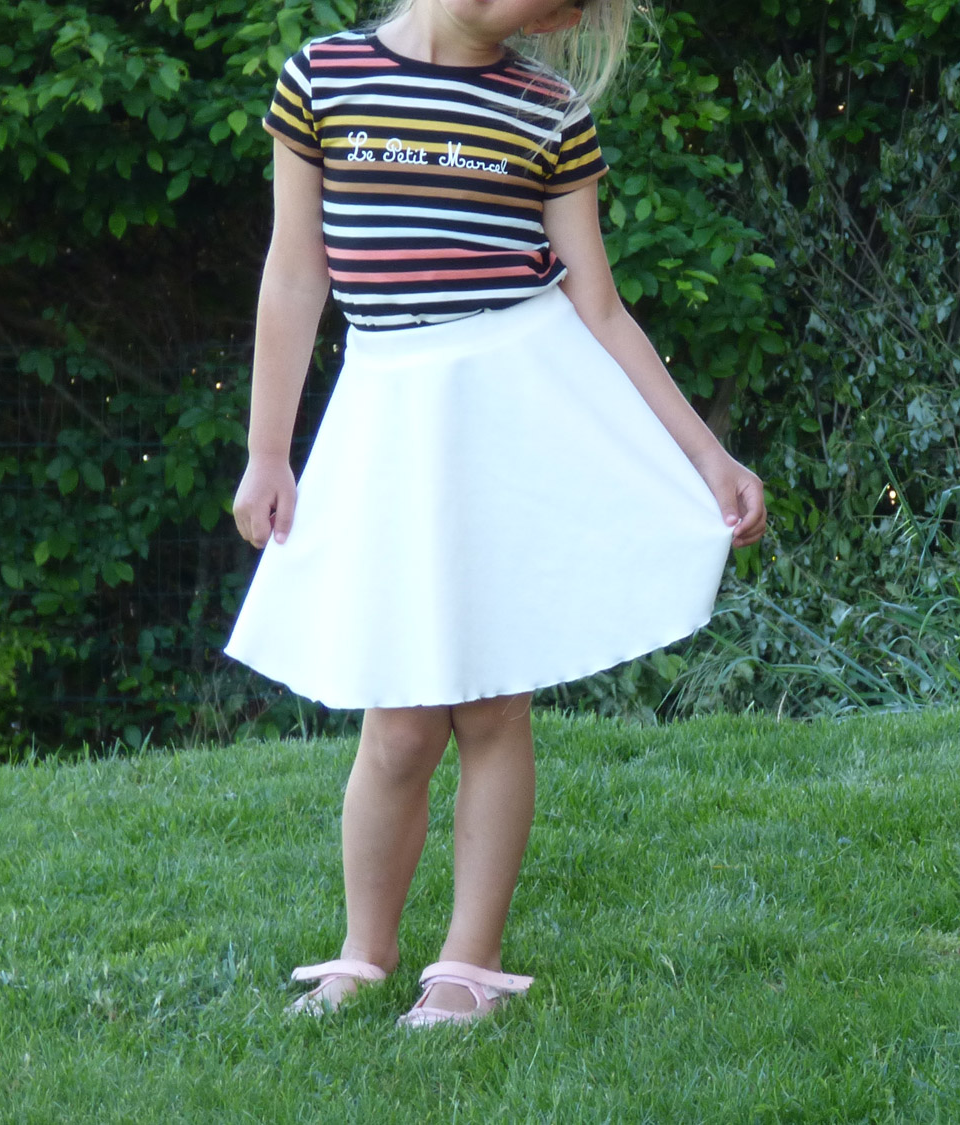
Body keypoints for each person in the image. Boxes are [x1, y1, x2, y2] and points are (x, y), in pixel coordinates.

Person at [221, 0, 767, 1029]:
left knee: (489, 704)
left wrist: (708, 456)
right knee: (396, 717)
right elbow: (294, 276)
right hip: (388, 423)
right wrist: (267, 451)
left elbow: (598, 305)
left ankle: (468, 961)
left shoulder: (547, 112)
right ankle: (364, 952)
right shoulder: (323, 80)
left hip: (511, 422)